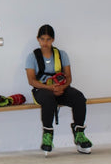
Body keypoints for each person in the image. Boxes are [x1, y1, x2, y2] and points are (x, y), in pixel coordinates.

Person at [25, 24, 92, 154]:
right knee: (49, 99)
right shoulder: (32, 57)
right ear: (38, 39)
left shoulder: (62, 55)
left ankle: (79, 134)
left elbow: (69, 77)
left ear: (53, 40)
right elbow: (31, 80)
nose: (45, 42)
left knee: (79, 97)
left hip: (61, 88)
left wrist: (62, 87)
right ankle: (48, 136)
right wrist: (49, 87)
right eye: (42, 39)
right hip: (42, 90)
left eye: (48, 39)